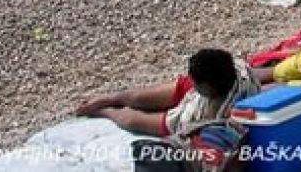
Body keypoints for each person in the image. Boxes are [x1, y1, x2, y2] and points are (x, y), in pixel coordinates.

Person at [75, 48, 260, 137]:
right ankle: (108, 99)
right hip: (220, 86)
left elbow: (173, 125)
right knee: (139, 97)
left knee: (134, 119)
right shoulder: (240, 71)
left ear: (204, 88)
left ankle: (103, 110)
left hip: (211, 97)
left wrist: (107, 113)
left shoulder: (200, 115)